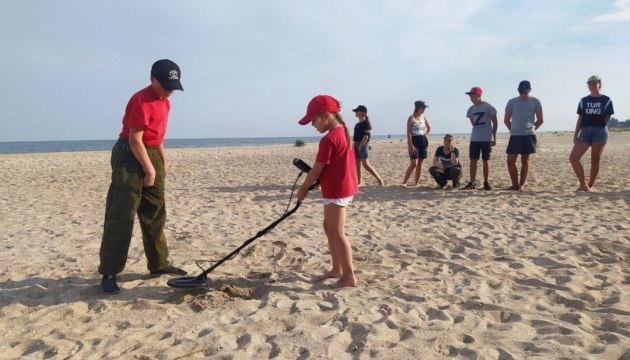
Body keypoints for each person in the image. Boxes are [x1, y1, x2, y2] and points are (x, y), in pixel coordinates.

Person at [98, 59, 187, 294]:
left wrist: (162, 161)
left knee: (155, 212)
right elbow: (134, 139)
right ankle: (109, 272)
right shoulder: (140, 99)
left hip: (152, 153)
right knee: (122, 214)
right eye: (166, 85)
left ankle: (159, 264)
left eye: (174, 85)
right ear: (152, 79)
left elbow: (157, 137)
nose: (170, 90)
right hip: (129, 154)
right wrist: (149, 169)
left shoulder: (165, 102)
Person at [297, 95, 359, 289]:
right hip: (338, 187)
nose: (312, 125)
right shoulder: (344, 131)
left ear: (325, 115)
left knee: (337, 232)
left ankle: (348, 276)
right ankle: (337, 269)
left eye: (313, 120)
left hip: (338, 190)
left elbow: (317, 169)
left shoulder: (329, 139)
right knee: (328, 228)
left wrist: (303, 188)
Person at [569, 75, 614, 192]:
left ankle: (590, 185)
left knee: (595, 160)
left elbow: (607, 117)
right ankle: (583, 184)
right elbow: (580, 119)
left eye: (594, 83)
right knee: (573, 158)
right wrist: (575, 135)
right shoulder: (583, 101)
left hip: (600, 131)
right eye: (590, 83)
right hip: (585, 131)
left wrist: (599, 124)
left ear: (600, 84)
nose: (592, 85)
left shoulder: (607, 100)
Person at [504, 80, 544, 192]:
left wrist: (532, 128)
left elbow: (540, 120)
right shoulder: (511, 102)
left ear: (530, 90)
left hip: (529, 135)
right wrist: (512, 130)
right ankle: (514, 184)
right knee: (510, 161)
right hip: (515, 135)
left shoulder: (535, 101)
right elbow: (506, 120)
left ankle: (522, 185)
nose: (523, 93)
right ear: (518, 90)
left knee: (525, 160)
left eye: (525, 91)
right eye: (521, 90)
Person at [463, 87, 497, 190]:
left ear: (479, 95)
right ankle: (472, 182)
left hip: (486, 137)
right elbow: (473, 123)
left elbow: (495, 123)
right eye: (470, 96)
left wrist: (494, 137)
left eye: (473, 95)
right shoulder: (471, 109)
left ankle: (486, 182)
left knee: (485, 160)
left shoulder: (489, 107)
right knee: (473, 160)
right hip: (475, 138)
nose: (471, 97)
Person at [352, 105, 384, 186]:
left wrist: (360, 147)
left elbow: (366, 136)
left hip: (362, 144)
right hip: (356, 144)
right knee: (357, 163)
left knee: (365, 164)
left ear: (362, 113)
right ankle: (359, 181)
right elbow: (356, 137)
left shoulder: (366, 123)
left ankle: (379, 179)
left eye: (357, 111)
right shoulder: (357, 124)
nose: (355, 112)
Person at [401, 100, 432, 187]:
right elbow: (408, 132)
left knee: (420, 162)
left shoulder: (423, 117)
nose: (424, 109)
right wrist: (410, 144)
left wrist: (426, 135)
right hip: (414, 139)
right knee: (414, 163)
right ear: (418, 108)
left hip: (422, 139)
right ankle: (405, 182)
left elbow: (429, 128)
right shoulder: (411, 118)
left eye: (424, 108)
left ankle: (416, 182)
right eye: (423, 108)